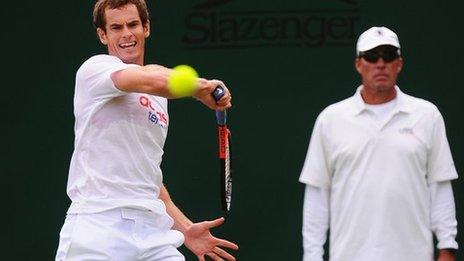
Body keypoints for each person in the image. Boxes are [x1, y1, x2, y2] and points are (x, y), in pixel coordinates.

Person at [55, 0, 238, 260]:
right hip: (98, 227)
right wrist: (201, 87)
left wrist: (186, 230)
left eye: (133, 25)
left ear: (146, 28)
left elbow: (147, 176)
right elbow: (146, 79)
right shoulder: (93, 70)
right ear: (102, 35)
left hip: (153, 234)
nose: (127, 34)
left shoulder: (159, 98)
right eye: (116, 27)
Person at [299, 26, 458, 261]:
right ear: (358, 64)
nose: (380, 63)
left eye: (388, 55)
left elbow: (440, 184)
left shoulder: (427, 115)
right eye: (372, 57)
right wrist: (312, 256)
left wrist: (447, 247)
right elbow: (317, 192)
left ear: (399, 64)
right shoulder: (330, 119)